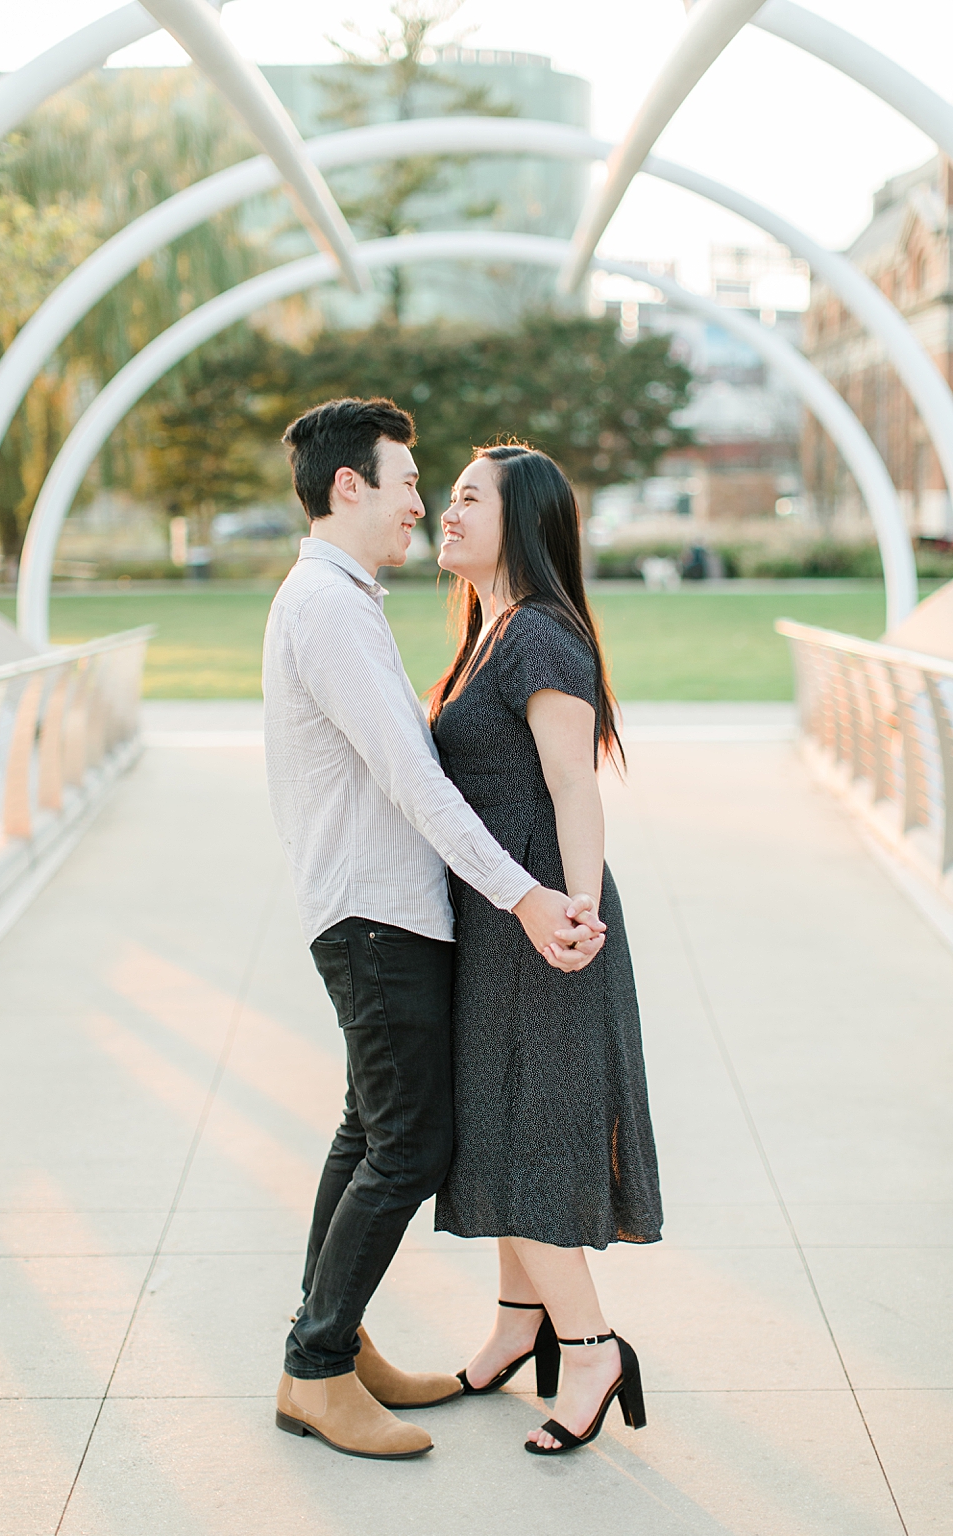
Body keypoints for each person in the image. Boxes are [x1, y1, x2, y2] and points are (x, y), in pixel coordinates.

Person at [262, 399, 606, 1463]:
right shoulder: (328, 606)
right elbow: (414, 780)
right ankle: (315, 1369)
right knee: (406, 1142)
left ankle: (332, 1340)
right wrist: (522, 894)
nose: (421, 504)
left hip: (379, 910)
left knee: (372, 1131)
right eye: (410, 483)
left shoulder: (344, 599)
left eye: (443, 489)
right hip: (377, 913)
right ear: (348, 487)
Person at [429, 443, 663, 1456]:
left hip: (542, 928)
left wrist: (570, 913)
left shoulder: (539, 641)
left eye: (467, 499)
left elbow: (574, 785)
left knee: (527, 1135)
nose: (445, 512)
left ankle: (593, 1347)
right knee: (499, 1124)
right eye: (445, 497)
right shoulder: (489, 632)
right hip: (501, 920)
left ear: (518, 520)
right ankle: (515, 1330)